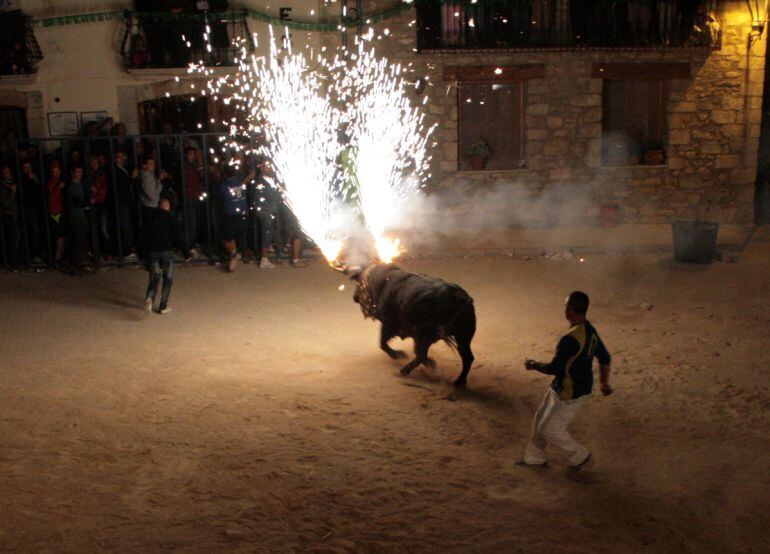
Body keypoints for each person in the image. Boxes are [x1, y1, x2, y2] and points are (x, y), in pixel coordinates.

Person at [521, 291, 613, 469]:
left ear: (570, 310)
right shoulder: (589, 330)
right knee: (540, 418)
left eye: (566, 306)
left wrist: (533, 364)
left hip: (571, 392)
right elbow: (605, 357)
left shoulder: (569, 339)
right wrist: (604, 383)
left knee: (550, 429)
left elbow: (554, 368)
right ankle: (534, 457)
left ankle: (579, 455)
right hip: (565, 385)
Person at [143, 197, 190, 314]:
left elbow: (142, 235)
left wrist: (142, 253)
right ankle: (162, 306)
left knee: (154, 277)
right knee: (167, 279)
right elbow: (179, 237)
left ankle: (149, 297)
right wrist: (186, 253)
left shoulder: (150, 218)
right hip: (166, 251)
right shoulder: (171, 219)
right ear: (168, 206)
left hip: (152, 250)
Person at [218, 164, 252, 272]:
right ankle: (237, 253)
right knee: (236, 236)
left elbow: (221, 196)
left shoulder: (224, 185)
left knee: (226, 238)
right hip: (244, 214)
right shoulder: (240, 183)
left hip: (232, 215)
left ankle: (234, 253)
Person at [108, 151, 138, 260]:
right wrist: (131, 178)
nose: (121, 159)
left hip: (125, 202)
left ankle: (126, 249)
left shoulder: (122, 169)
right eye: (118, 157)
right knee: (125, 227)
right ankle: (126, 251)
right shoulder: (115, 171)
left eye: (122, 156)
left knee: (127, 226)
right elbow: (121, 186)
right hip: (121, 203)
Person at [253, 160, 282, 268]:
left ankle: (267, 253)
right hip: (265, 211)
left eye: (270, 167)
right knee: (267, 232)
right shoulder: (262, 181)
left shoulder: (268, 180)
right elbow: (271, 196)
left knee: (269, 233)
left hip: (269, 210)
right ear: (262, 168)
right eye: (267, 167)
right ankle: (264, 259)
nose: (270, 169)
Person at [66, 166, 90, 274]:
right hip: (77, 216)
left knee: (79, 240)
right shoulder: (74, 186)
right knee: (78, 240)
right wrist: (89, 202)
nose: (80, 174)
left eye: (81, 171)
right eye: (77, 171)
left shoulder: (78, 185)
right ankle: (77, 265)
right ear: (72, 173)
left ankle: (77, 264)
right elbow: (78, 202)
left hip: (78, 215)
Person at [181, 146, 203, 256]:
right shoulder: (185, 167)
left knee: (195, 222)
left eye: (194, 154)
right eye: (191, 154)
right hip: (189, 197)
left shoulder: (193, 166)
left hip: (194, 196)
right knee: (191, 223)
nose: (193, 157)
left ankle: (192, 244)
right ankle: (189, 246)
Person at [46, 163, 67, 268]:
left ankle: (59, 258)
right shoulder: (52, 183)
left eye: (57, 172)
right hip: (56, 212)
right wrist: (59, 187)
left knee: (61, 237)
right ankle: (57, 259)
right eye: (54, 172)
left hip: (59, 211)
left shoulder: (57, 182)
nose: (56, 174)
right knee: (60, 237)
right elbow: (52, 198)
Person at [0, 165, 20, 268]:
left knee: (13, 237)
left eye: (8, 171)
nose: (7, 173)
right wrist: (12, 193)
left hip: (13, 214)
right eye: (5, 171)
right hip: (7, 215)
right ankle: (12, 261)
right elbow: (4, 203)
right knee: (14, 237)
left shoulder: (12, 184)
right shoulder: (3, 186)